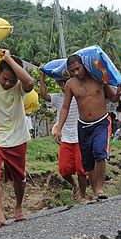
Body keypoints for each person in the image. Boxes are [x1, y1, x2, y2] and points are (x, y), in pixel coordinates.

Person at [52, 54, 121, 201]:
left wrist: (119, 93)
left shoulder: (98, 77)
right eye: (72, 71)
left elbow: (112, 97)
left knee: (99, 152)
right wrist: (59, 127)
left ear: (84, 65)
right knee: (88, 160)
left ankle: (100, 188)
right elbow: (65, 107)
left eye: (78, 69)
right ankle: (95, 190)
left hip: (101, 122)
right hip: (83, 125)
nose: (76, 73)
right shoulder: (70, 84)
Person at [0, 49, 33, 227]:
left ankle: (18, 206)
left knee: (19, 176)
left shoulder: (20, 86)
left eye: (12, 80)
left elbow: (29, 82)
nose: (8, 83)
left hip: (17, 137)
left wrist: (8, 59)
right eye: (4, 79)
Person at [38, 71, 88, 201]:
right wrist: (42, 77)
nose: (64, 85)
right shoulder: (58, 98)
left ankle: (83, 195)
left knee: (81, 169)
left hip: (80, 136)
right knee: (63, 169)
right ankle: (74, 184)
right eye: (62, 83)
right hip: (65, 137)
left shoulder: (79, 96)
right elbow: (43, 95)